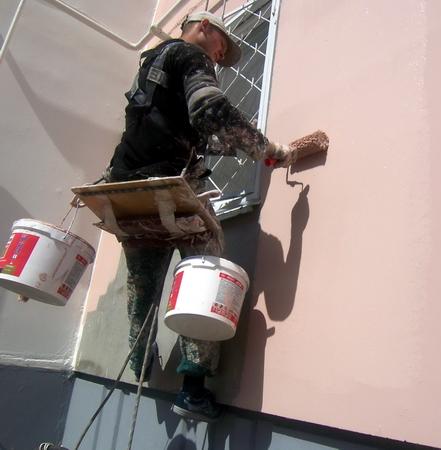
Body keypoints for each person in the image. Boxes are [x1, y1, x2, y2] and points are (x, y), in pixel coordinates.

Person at [105, 11, 292, 422]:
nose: (220, 56)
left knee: (142, 285)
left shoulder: (152, 63)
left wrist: (244, 149)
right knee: (206, 266)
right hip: (168, 188)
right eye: (222, 46)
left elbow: (193, 133)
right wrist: (265, 147)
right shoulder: (191, 56)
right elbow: (210, 111)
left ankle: (139, 366)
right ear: (204, 28)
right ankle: (192, 389)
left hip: (127, 193)